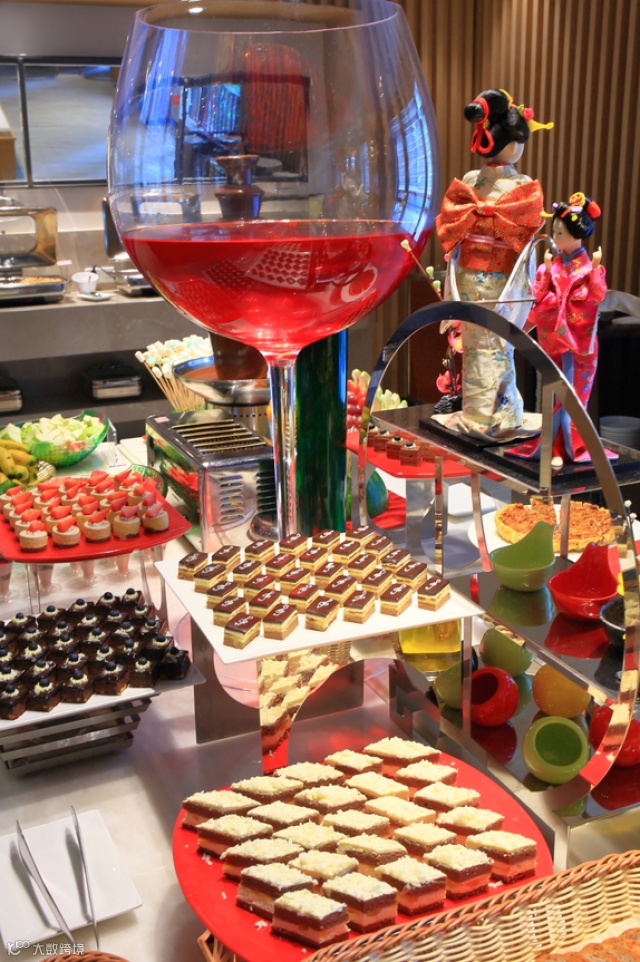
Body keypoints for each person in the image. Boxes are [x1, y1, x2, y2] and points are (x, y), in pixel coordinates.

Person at [436, 88, 553, 438]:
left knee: (484, 345)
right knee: (492, 345)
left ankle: (486, 413)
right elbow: (526, 243)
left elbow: (458, 234)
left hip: (477, 276)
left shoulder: (471, 182)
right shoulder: (521, 185)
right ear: (511, 143)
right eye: (519, 140)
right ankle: (498, 414)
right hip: (499, 278)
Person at [508, 192, 608, 462]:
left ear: (577, 234)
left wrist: (595, 268)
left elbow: (597, 296)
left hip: (580, 345)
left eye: (560, 233)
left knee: (574, 396)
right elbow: (538, 297)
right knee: (555, 393)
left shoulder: (591, 270)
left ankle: (568, 448)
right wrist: (547, 274)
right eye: (554, 232)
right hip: (554, 340)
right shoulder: (549, 267)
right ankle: (554, 446)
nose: (555, 237)